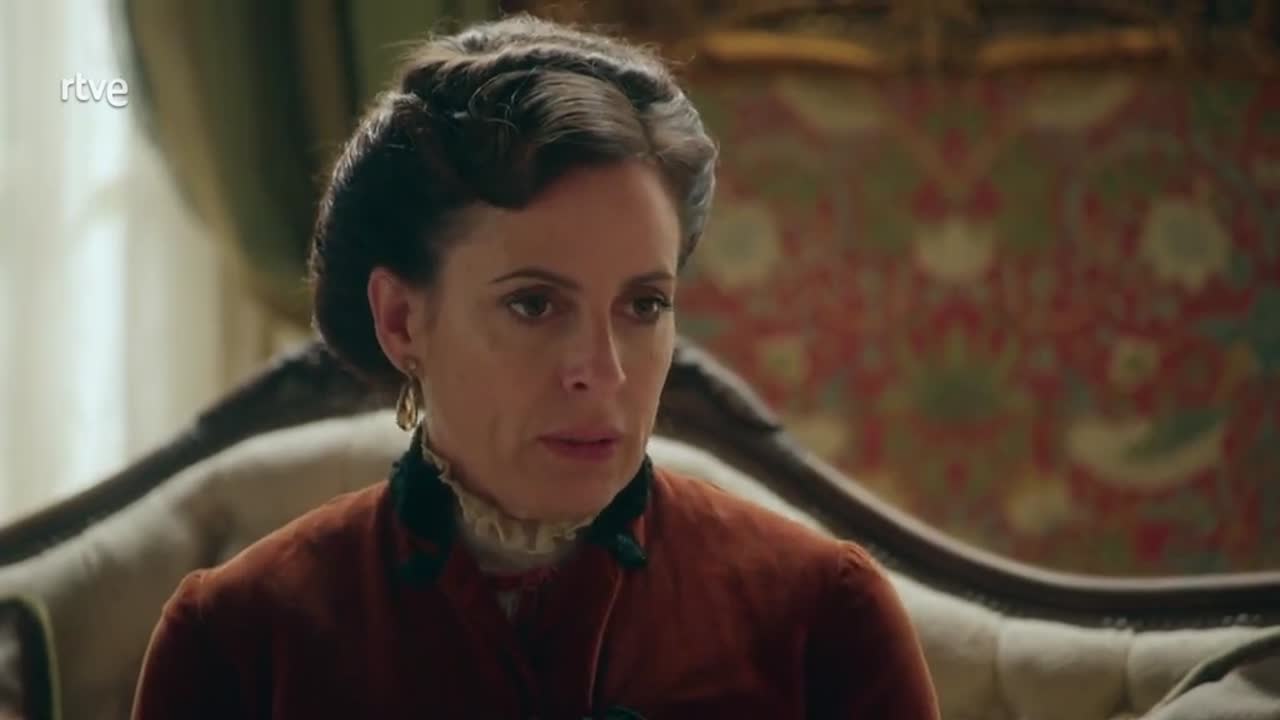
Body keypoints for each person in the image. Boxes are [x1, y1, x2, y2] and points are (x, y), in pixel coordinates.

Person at [132, 14, 939, 720]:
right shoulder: (236, 641)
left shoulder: (826, 621)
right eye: (534, 305)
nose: (602, 372)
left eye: (643, 305)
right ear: (403, 320)